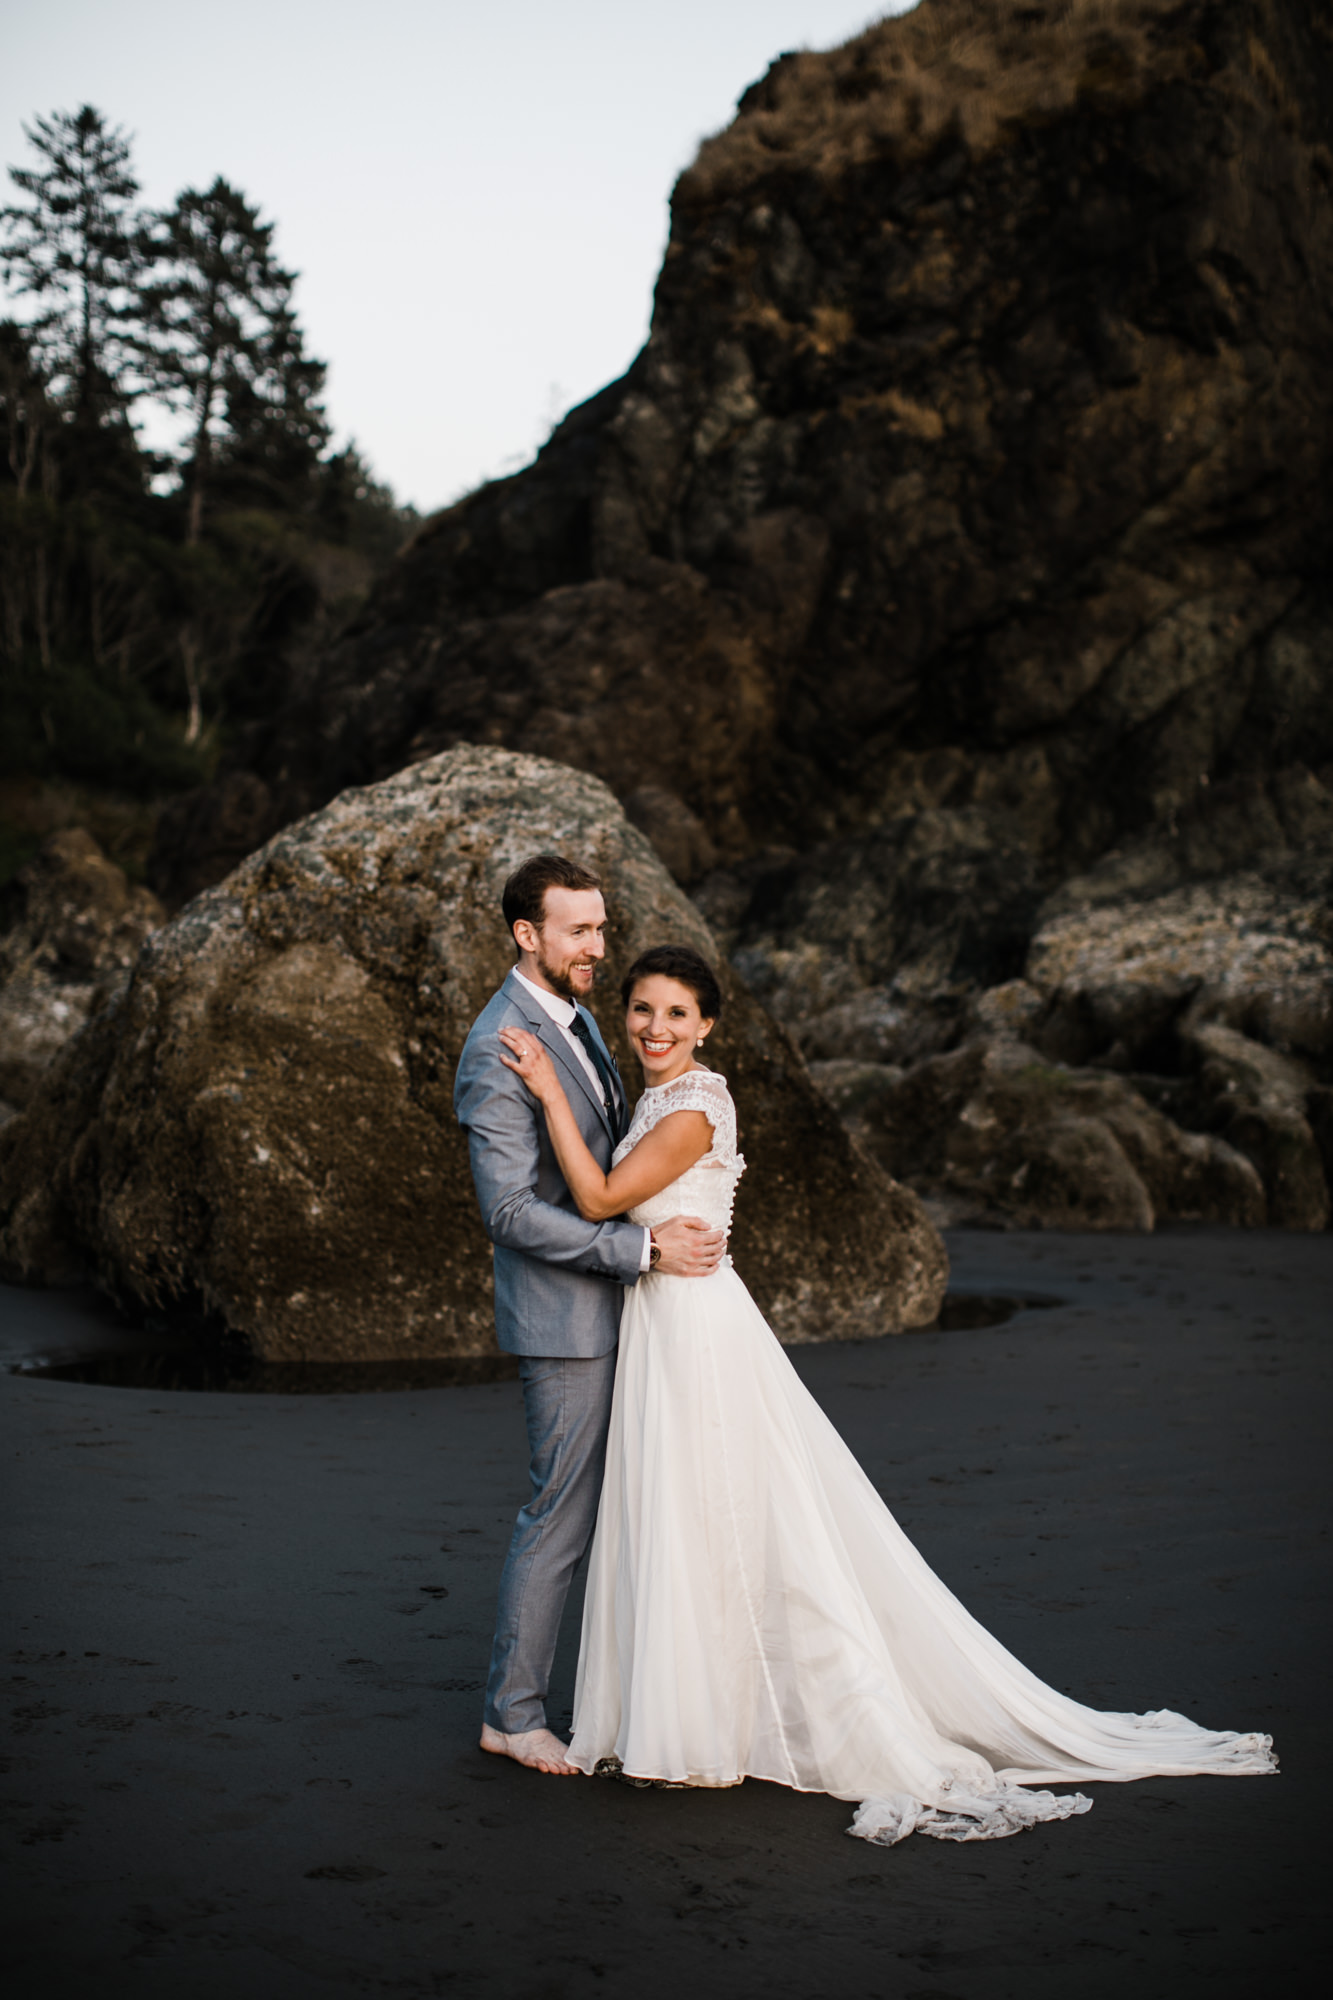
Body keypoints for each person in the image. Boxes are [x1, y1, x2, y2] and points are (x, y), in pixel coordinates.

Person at [496, 941, 1278, 1844]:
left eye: (677, 1013)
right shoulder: (657, 1098)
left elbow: (595, 1201)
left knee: (718, 1512)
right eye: (642, 1010)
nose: (655, 1028)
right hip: (664, 1324)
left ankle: (705, 1728)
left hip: (697, 1333)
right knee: (686, 1516)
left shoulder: (696, 1104)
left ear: (707, 1024)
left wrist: (550, 1095)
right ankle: (687, 1714)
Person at [453, 857, 725, 1777]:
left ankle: (646, 1695)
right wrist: (639, 1253)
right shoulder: (497, 1045)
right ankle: (513, 1714)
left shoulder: (572, 1023)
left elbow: (615, 1157)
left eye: (601, 928)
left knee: (638, 1511)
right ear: (526, 935)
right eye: (577, 931)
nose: (595, 948)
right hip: (565, 1320)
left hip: (630, 1317)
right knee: (558, 1515)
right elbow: (509, 1213)